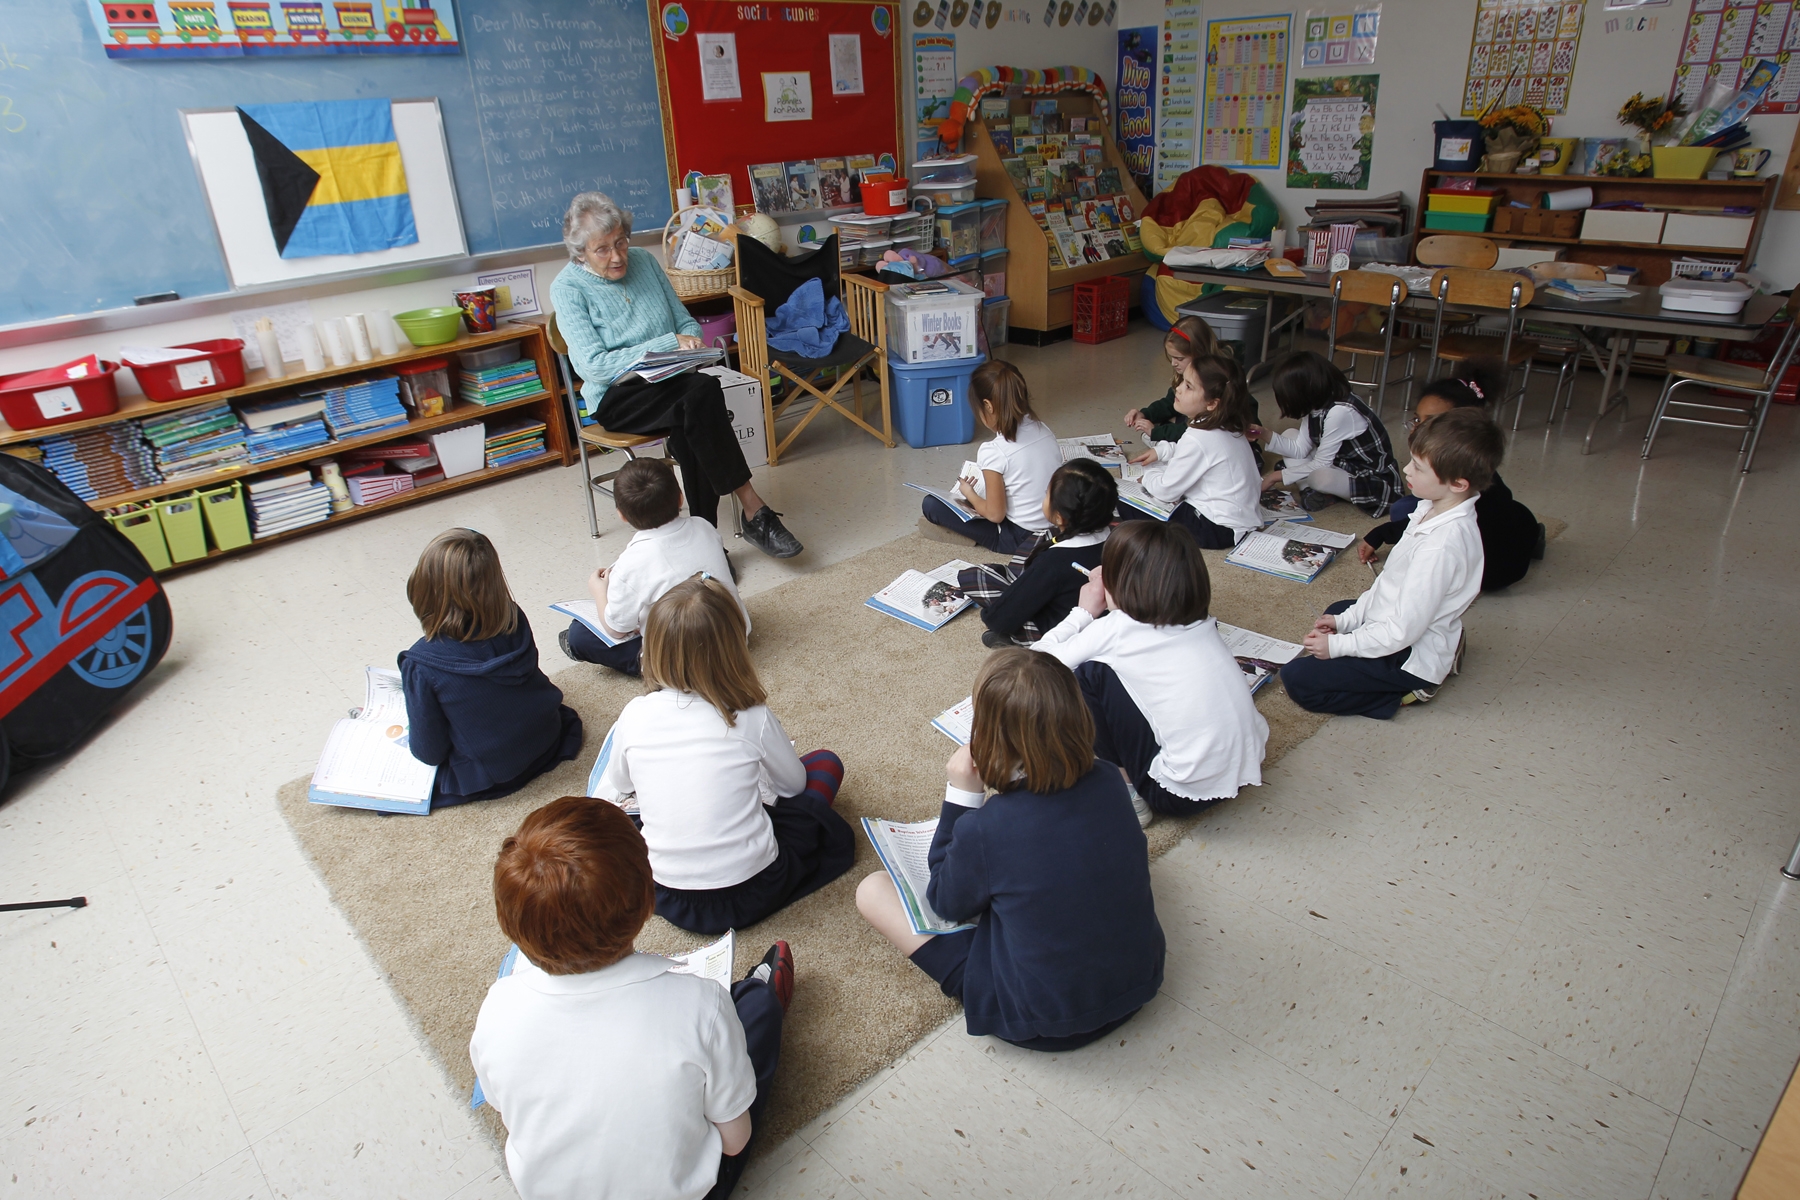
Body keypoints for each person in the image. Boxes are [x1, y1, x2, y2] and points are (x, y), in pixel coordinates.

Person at [470, 797, 794, 1200]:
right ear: (647, 902)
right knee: (757, 1010)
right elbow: (734, 1140)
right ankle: (757, 993)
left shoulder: (498, 1008)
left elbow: (503, 1106)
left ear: (512, 926)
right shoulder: (700, 1003)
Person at [854, 648, 1165, 1051]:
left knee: (873, 890)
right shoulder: (1108, 777)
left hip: (1040, 1020)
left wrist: (959, 800)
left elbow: (945, 903)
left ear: (986, 735)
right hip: (1139, 983)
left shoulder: (986, 827)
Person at [587, 577, 853, 934]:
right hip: (755, 889)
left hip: (665, 893)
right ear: (734, 647)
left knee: (632, 823)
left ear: (652, 648)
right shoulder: (750, 714)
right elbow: (793, 786)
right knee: (825, 765)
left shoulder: (635, 713)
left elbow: (620, 783)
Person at [550, 191, 801, 559]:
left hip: (672, 381)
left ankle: (705, 543)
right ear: (580, 253)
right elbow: (592, 365)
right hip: (618, 396)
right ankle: (752, 510)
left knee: (693, 412)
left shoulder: (645, 262)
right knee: (701, 394)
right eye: (602, 249)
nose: (618, 256)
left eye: (621, 242)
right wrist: (668, 343)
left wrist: (688, 343)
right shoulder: (568, 288)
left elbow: (685, 321)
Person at [1031, 521, 1267, 827]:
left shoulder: (1116, 627)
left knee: (1089, 674)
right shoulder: (1200, 619)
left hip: (1175, 793)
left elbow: (1034, 664)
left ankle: (1127, 792)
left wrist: (1084, 612)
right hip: (1245, 765)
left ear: (1121, 582)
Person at [1280, 407, 1501, 719]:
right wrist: (1346, 623)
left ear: (1458, 484)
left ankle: (1406, 692)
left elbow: (1401, 631)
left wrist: (1339, 647)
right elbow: (1389, 584)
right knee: (1339, 612)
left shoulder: (1441, 547)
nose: (1407, 471)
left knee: (1299, 679)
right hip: (1409, 622)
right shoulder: (1432, 507)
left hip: (1409, 650)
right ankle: (1445, 645)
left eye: (1419, 468)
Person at [399, 529, 583, 809]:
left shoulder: (421, 664)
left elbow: (429, 752)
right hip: (547, 739)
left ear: (424, 589)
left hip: (493, 774)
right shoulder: (512, 616)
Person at [1359, 360, 1546, 590]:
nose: (1417, 430)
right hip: (1486, 533)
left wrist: (1386, 533)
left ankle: (1533, 536)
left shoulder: (1469, 500)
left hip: (1490, 573)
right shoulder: (1462, 471)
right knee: (1406, 508)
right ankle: (1532, 532)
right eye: (1417, 419)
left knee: (1410, 512)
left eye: (1432, 423)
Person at [559, 457, 747, 676]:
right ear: (680, 498)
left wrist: (599, 591)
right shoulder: (704, 526)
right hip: (736, 640)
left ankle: (654, 668)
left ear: (621, 515)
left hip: (685, 666)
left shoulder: (631, 563)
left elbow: (616, 629)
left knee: (579, 634)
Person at [956, 459, 1116, 649]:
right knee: (1042, 537)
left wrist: (997, 612)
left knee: (973, 576)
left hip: (1063, 635)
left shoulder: (1053, 562)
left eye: (1047, 494)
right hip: (1103, 621)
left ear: (1060, 516)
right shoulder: (1121, 539)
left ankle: (1019, 638)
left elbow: (998, 621)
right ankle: (1021, 586)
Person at [1121, 353, 1263, 549]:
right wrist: (1163, 451)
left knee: (1127, 503)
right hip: (1239, 522)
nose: (1178, 389)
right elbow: (1199, 452)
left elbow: (1165, 491)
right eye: (1182, 382)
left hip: (1214, 529)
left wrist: (1147, 475)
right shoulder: (1228, 424)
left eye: (1188, 386)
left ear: (1212, 403)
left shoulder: (1198, 436)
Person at [918, 360, 1061, 554]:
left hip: (1020, 538)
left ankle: (968, 536)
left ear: (988, 405)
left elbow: (995, 515)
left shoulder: (994, 451)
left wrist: (970, 494)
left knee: (931, 505)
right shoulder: (1043, 429)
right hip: (1057, 525)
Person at [1252, 350, 1403, 516]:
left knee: (1321, 477)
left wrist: (1274, 477)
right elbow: (1299, 449)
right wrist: (1262, 433)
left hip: (1370, 478)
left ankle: (1315, 489)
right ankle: (1311, 491)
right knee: (1290, 433)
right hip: (1341, 463)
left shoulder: (1341, 411)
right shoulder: (1316, 405)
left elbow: (1322, 464)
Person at [1124, 316, 1221, 446]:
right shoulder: (1190, 372)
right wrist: (1145, 414)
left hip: (1207, 436)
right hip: (1195, 427)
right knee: (1156, 428)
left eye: (1179, 359)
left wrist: (1156, 432)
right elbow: (1171, 401)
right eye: (1172, 358)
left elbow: (1198, 430)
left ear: (1199, 353)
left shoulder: (1216, 381)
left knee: (1158, 435)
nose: (1174, 364)